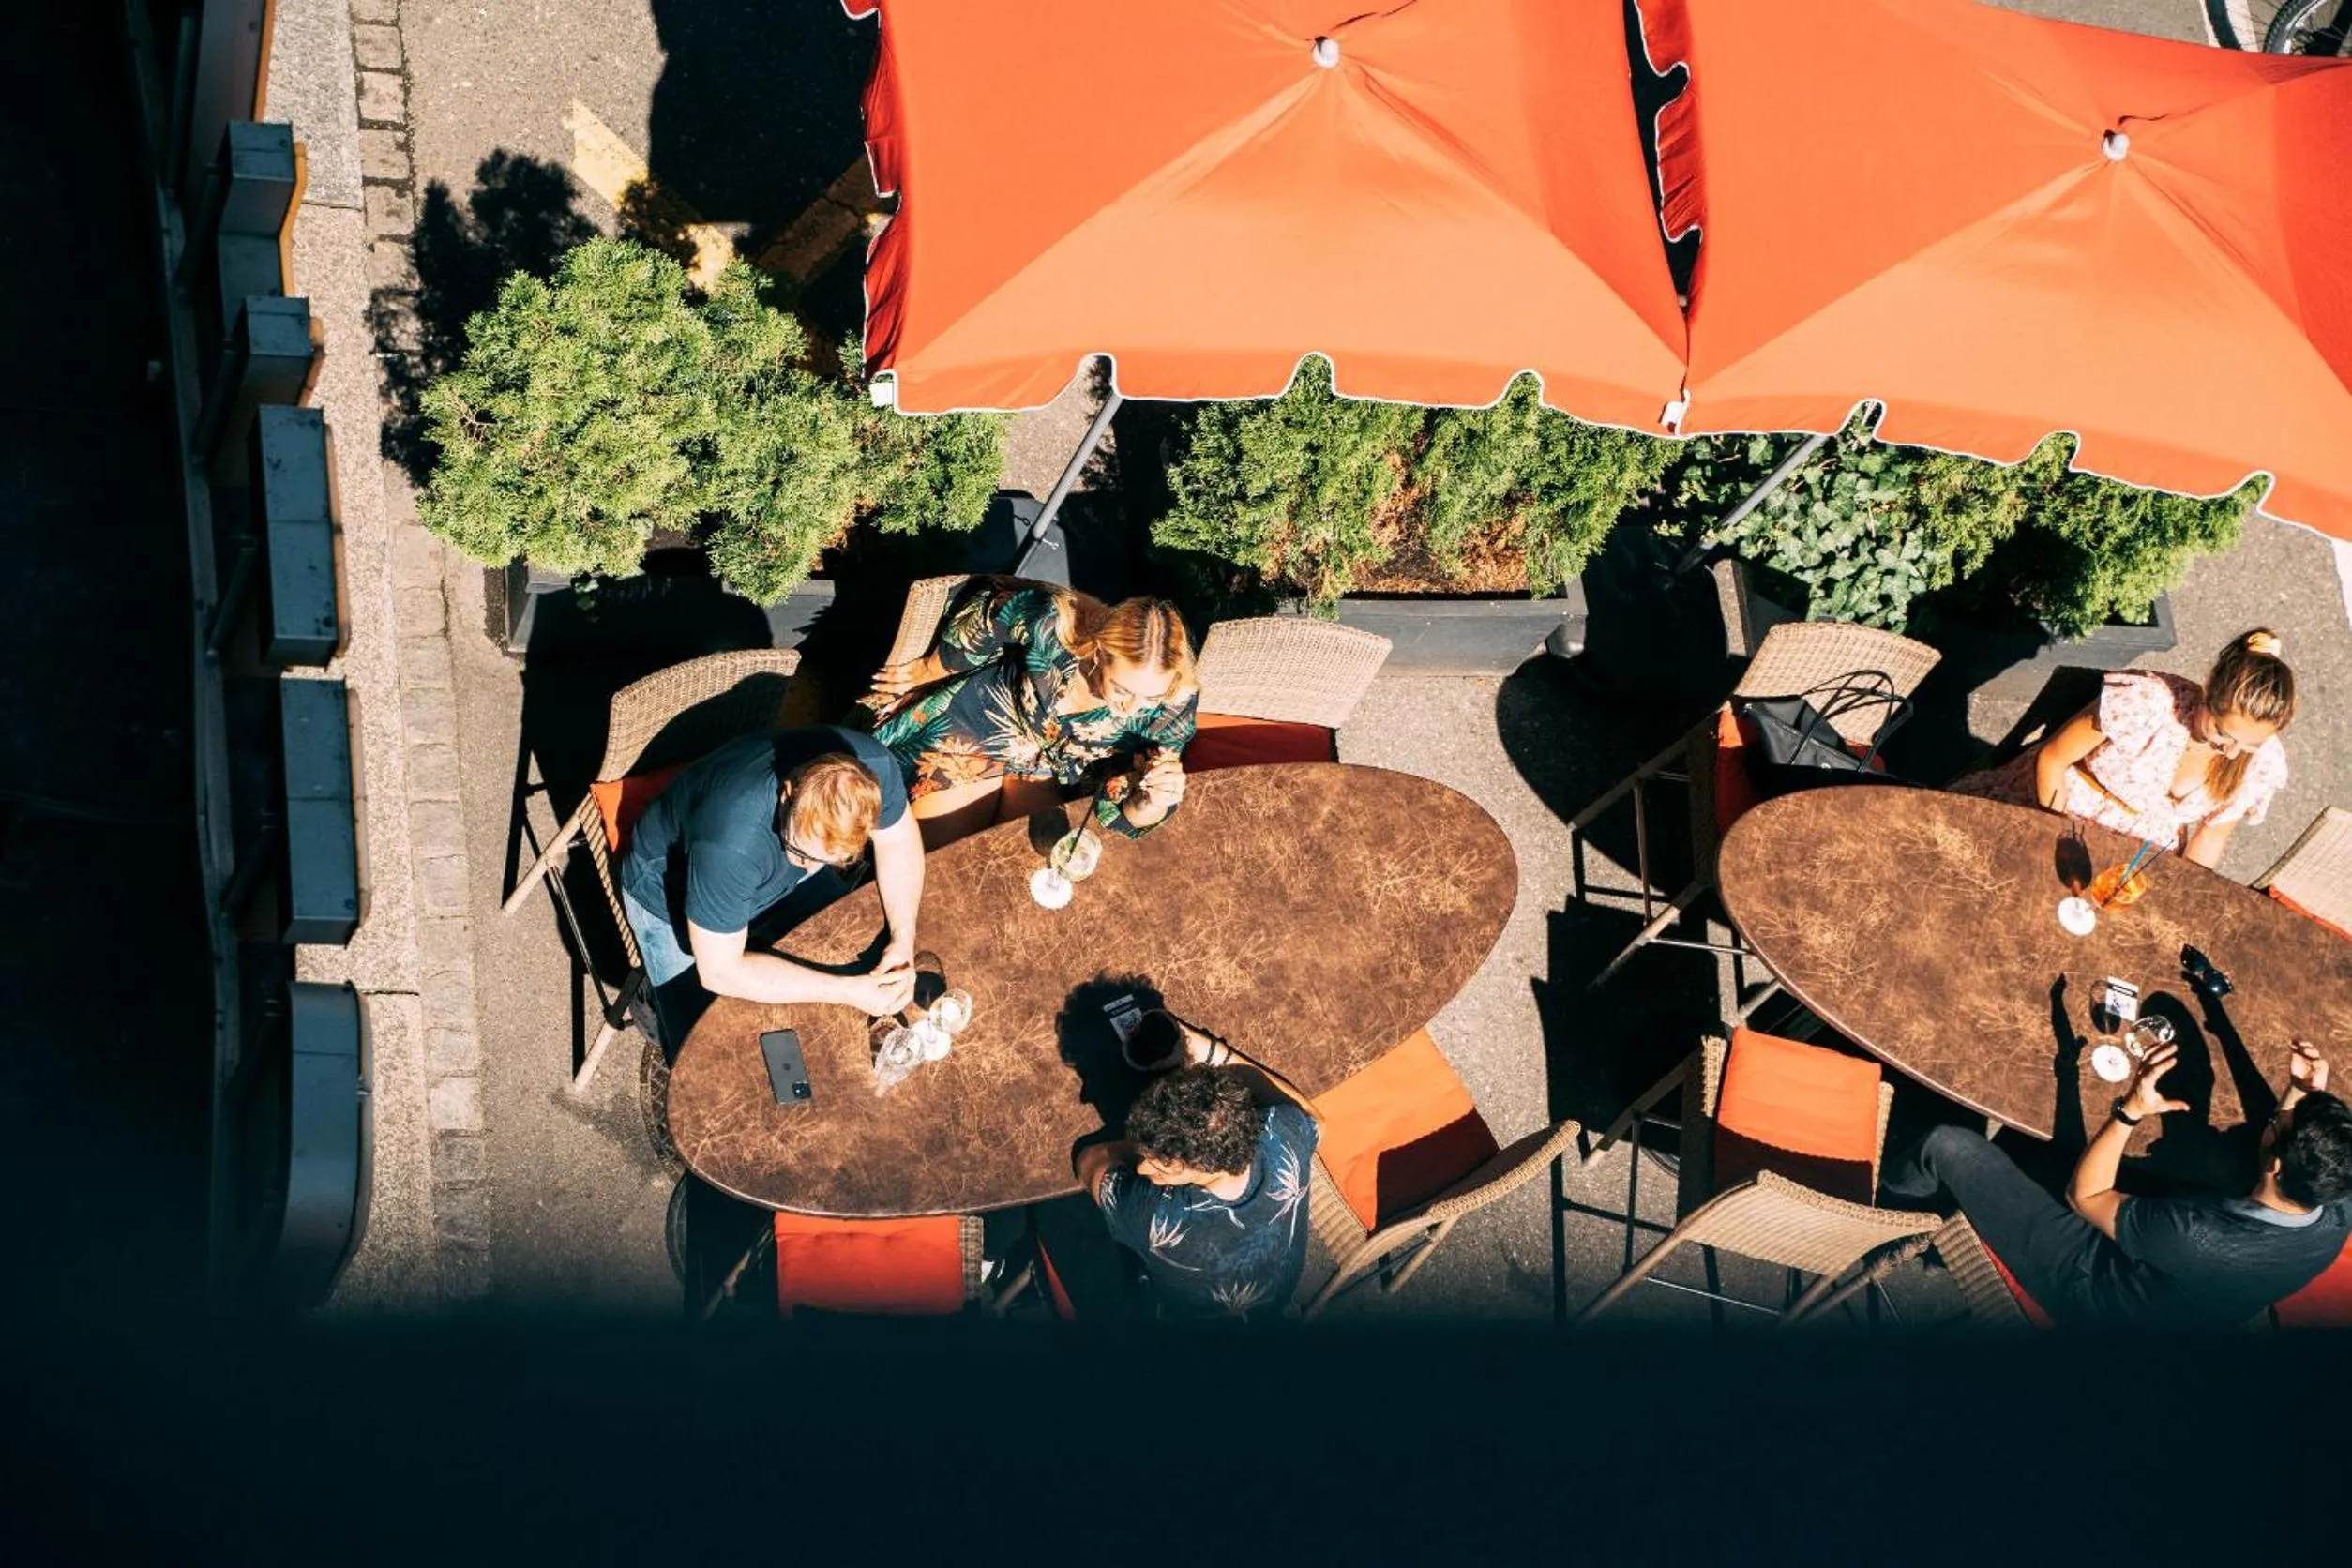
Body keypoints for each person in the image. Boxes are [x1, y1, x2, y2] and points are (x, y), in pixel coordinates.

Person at [1885, 1040, 2352, 1327]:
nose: (2272, 1118)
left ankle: (1886, 1199)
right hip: (2180, 1291)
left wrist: (2131, 1110)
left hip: (2092, 1282)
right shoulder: (2334, 1206)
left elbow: (2084, 1196)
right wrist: (2302, 1094)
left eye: (2275, 1122)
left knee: (1949, 1145)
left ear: (2275, 1165)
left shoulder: (2195, 1235)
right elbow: (2286, 1158)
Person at [617, 726, 926, 1040]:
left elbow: (897, 841)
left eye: (832, 859)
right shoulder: (729, 843)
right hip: (670, 895)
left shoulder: (870, 770)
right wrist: (847, 991)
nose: (805, 866)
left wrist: (903, 937)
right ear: (787, 793)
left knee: (853, 953)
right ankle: (655, 1003)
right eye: (799, 851)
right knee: (699, 1038)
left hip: (745, 868)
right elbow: (720, 972)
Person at [867, 580, 1199, 850]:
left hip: (1044, 774)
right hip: (975, 732)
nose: (1132, 708)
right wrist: (933, 667)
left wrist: (1151, 803)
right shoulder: (1055, 624)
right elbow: (990, 613)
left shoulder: (1175, 702)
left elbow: (1120, 814)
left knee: (1017, 863)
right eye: (1123, 690)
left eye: (1151, 697)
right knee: (931, 859)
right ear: (1099, 652)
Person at [1952, 629, 2294, 868]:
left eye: (2249, 745)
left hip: (2134, 862)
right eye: (2223, 733)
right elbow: (2053, 759)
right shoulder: (2148, 702)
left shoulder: (2260, 764)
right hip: (2055, 812)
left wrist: (2182, 890)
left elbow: (2211, 836)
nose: (2232, 753)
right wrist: (2055, 837)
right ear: (2207, 692)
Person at [1070, 1015, 1321, 1324]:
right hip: (1273, 1303)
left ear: (1199, 1165)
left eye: (1161, 1164)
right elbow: (1313, 1117)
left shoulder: (1158, 1219)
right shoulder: (1285, 1131)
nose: (1146, 1169)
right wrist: (1210, 1051)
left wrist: (1137, 1146)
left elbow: (1087, 1161)